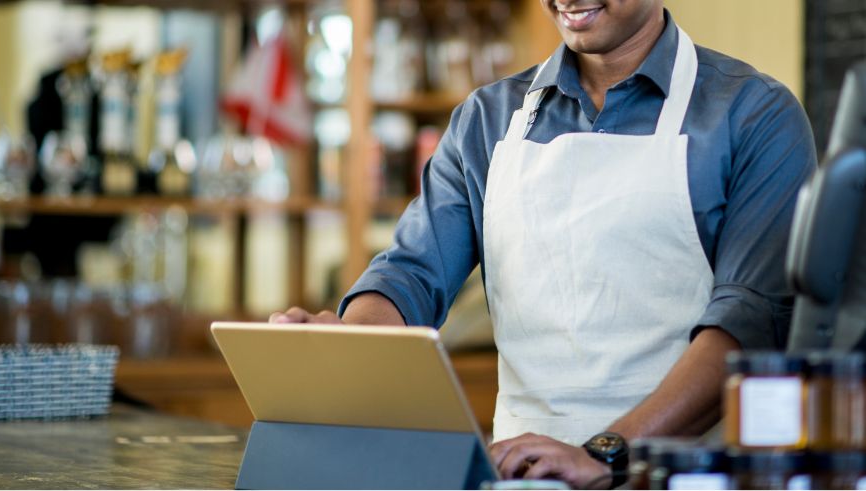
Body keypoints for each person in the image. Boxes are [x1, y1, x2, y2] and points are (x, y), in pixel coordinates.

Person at [271, 0, 817, 488]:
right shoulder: (486, 121)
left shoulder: (754, 115)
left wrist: (606, 454)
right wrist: (342, 343)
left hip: (681, 476)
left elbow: (749, 322)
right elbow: (412, 274)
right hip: (526, 478)